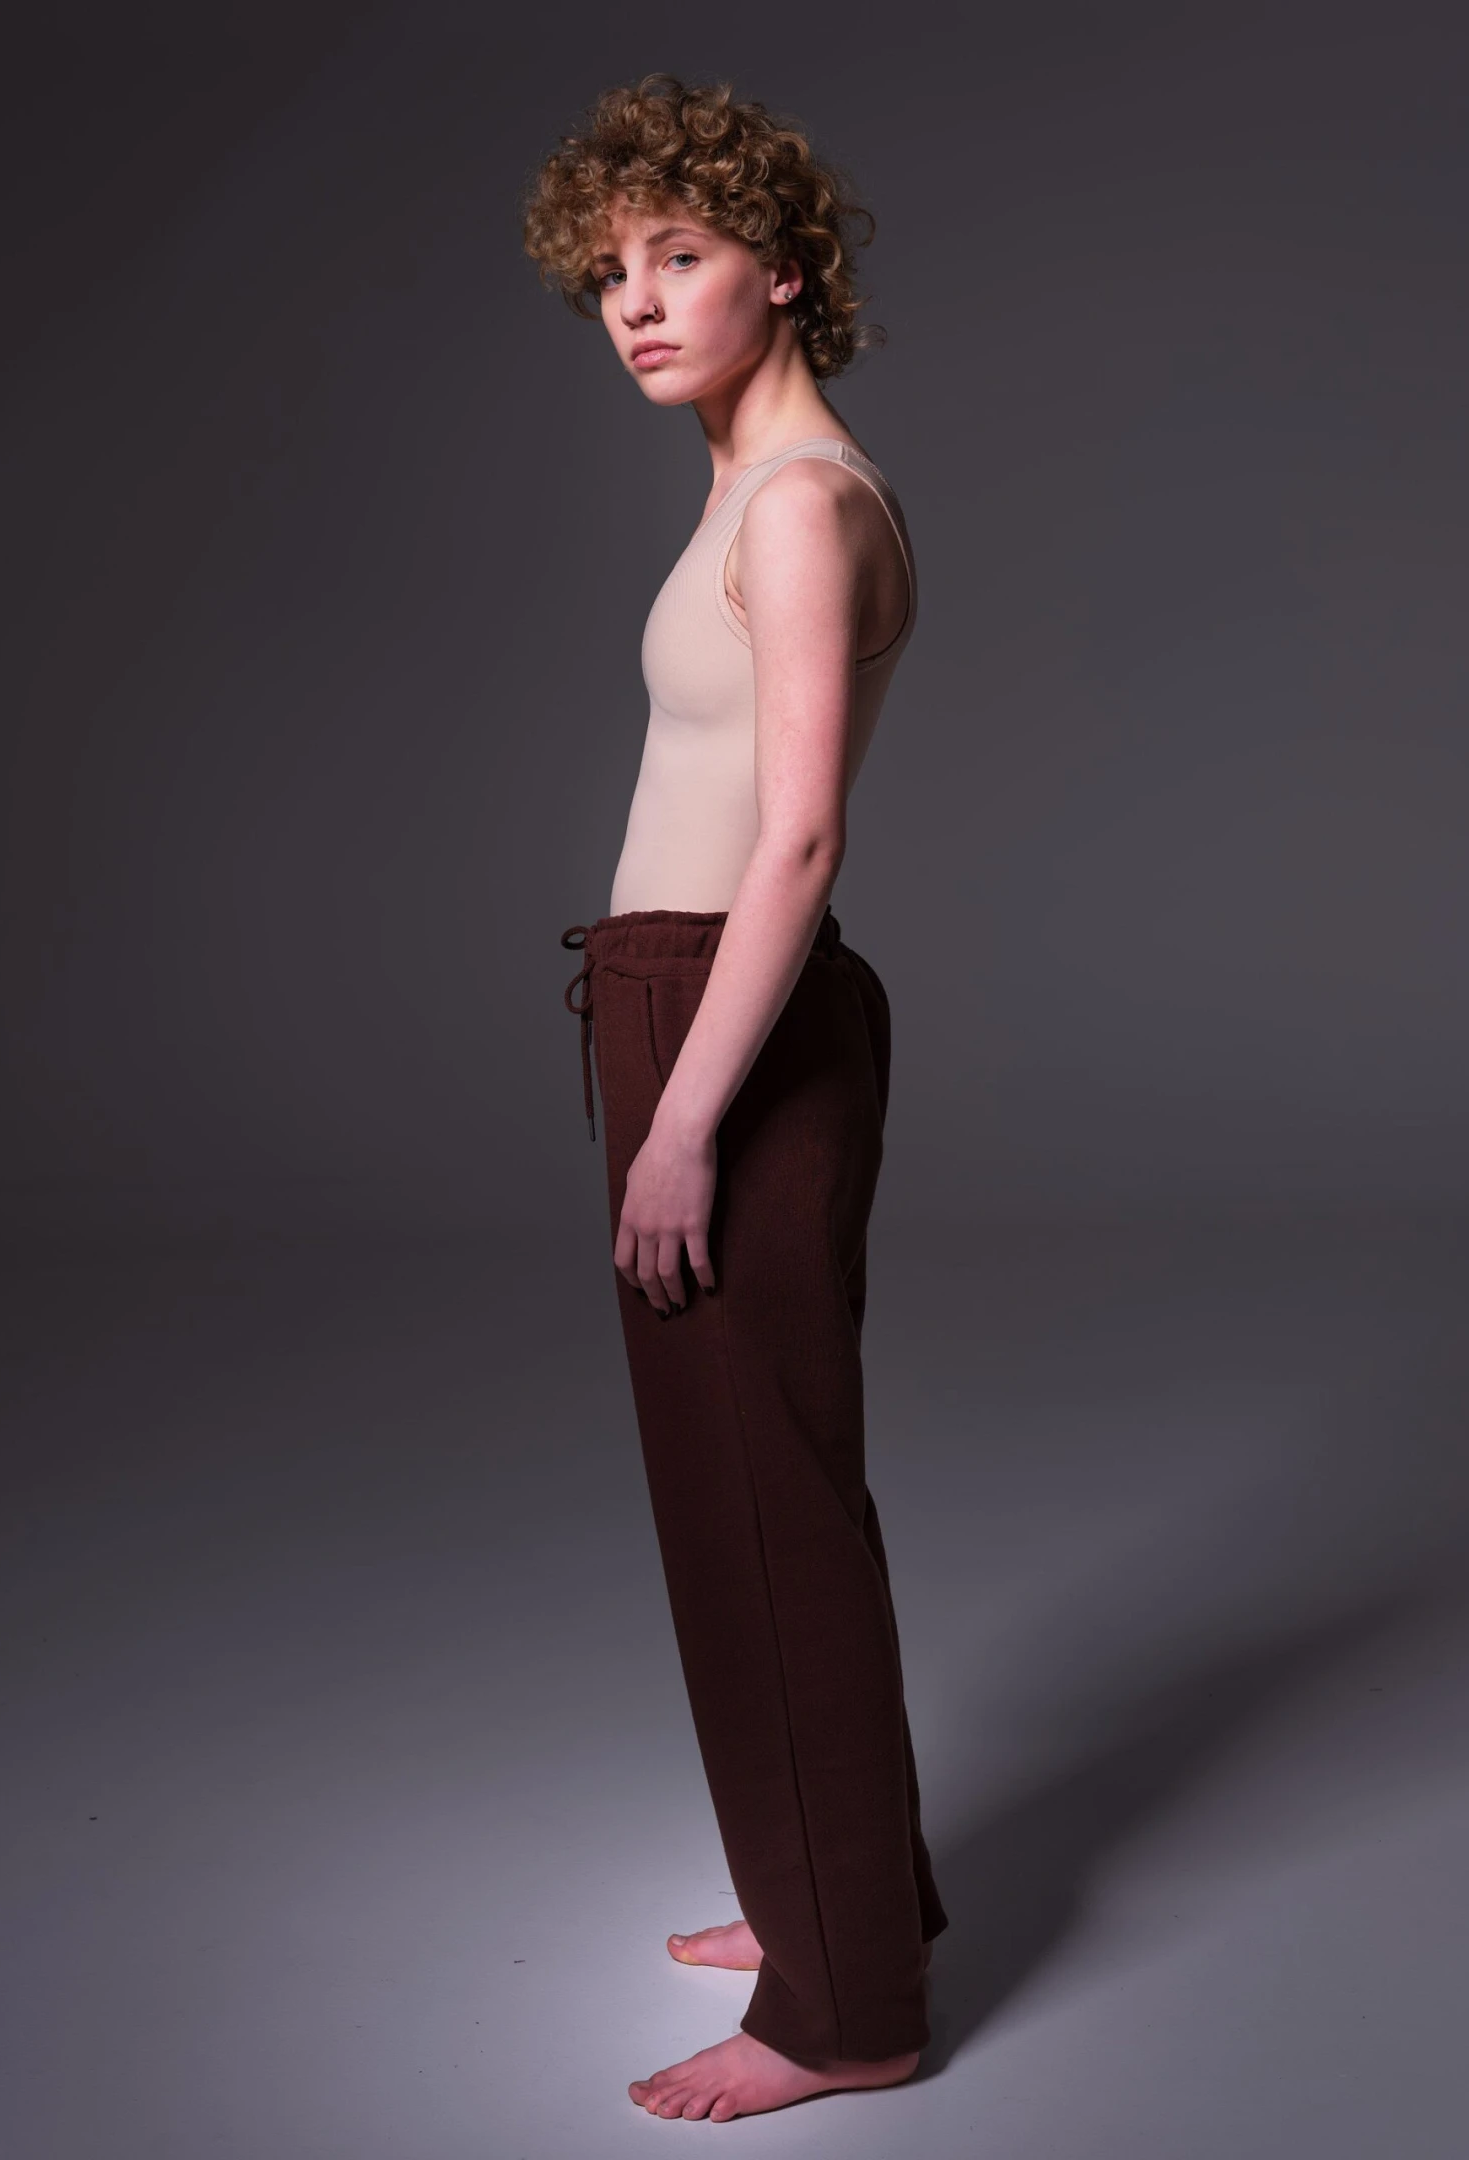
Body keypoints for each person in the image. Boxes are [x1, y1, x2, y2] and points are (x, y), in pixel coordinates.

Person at [524, 72, 948, 2122]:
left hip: (727, 1020)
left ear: (785, 268)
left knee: (758, 1505)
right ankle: (842, 1898)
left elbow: (795, 836)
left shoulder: (795, 502)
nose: (635, 299)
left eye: (678, 255)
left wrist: (682, 1119)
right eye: (610, 270)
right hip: (698, 1003)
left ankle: (844, 2009)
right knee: (775, 1487)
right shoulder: (764, 487)